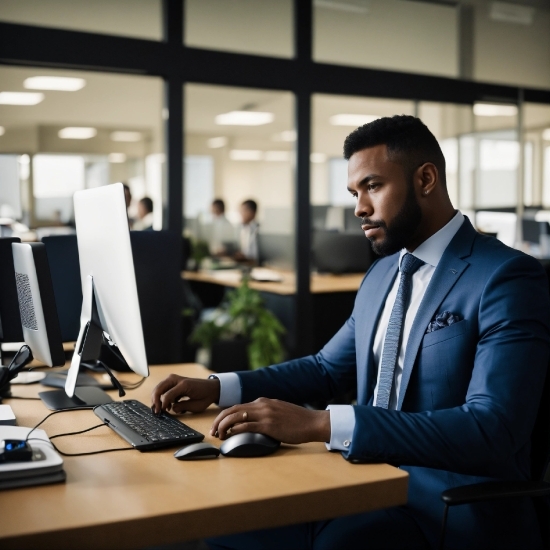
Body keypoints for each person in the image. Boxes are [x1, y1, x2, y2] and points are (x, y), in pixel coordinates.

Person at [151, 116, 550, 550]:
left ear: (426, 179)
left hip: (447, 509)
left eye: (373, 187)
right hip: (359, 478)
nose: (359, 207)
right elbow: (326, 369)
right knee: (218, 523)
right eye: (354, 193)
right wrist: (218, 387)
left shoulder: (505, 276)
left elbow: (492, 429)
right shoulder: (382, 273)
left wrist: (324, 423)